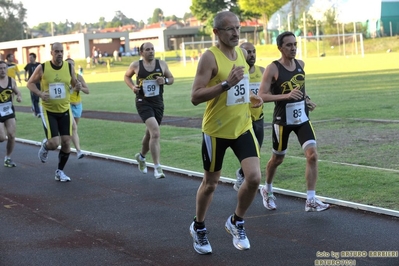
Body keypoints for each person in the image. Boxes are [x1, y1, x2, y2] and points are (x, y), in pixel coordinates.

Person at [189, 11, 263, 254]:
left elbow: (238, 90)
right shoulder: (209, 58)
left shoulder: (241, 53)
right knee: (210, 184)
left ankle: (236, 221)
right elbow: (195, 97)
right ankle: (198, 226)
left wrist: (252, 98)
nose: (235, 33)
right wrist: (225, 84)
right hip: (215, 130)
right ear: (216, 33)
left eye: (238, 28)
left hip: (242, 127)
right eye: (229, 29)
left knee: (253, 178)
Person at [258, 31, 330, 212]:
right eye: (289, 45)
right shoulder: (272, 68)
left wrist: (306, 99)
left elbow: (299, 89)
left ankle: (311, 199)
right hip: (282, 121)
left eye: (295, 44)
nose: (293, 48)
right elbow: (262, 96)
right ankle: (267, 189)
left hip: (302, 118)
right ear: (280, 48)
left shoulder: (301, 64)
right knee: (277, 159)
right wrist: (287, 96)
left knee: (312, 154)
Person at [27, 42, 80, 182]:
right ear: (51, 53)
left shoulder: (69, 67)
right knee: (54, 144)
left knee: (67, 142)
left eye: (61, 51)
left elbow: (74, 83)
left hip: (65, 109)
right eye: (56, 51)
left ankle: (60, 171)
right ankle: (45, 145)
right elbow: (29, 83)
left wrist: (77, 85)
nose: (59, 54)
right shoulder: (43, 67)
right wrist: (39, 93)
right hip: (49, 110)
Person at [123, 42, 174, 179]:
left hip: (158, 103)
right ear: (142, 53)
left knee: (150, 134)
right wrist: (133, 87)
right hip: (143, 102)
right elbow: (126, 76)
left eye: (152, 49)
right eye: (147, 49)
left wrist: (165, 81)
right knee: (155, 133)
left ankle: (141, 157)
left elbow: (171, 78)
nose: (151, 51)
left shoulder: (162, 64)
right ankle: (157, 167)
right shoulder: (136, 65)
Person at [233, 42, 266, 191]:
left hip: (258, 117)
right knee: (250, 152)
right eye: (248, 52)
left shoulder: (262, 71)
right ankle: (245, 177)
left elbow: (271, 91)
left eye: (253, 51)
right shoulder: (238, 72)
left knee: (257, 149)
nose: (252, 55)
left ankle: (241, 173)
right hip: (243, 119)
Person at [65, 58, 89, 159]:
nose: (71, 66)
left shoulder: (79, 77)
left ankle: (65, 147)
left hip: (78, 105)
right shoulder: (64, 78)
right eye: (69, 64)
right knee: (73, 127)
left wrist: (80, 88)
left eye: (73, 64)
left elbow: (87, 90)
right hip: (67, 104)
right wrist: (73, 89)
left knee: (72, 129)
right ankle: (78, 151)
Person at [0, 60, 22, 167]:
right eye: (0, 68)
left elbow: (17, 91)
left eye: (4, 68)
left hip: (9, 111)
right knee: (1, 138)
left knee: (12, 135)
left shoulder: (11, 81)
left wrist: (18, 96)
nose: (3, 70)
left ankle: (7, 158)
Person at [24, 53, 41, 117]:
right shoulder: (28, 65)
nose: (30, 59)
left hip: (39, 83)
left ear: (34, 58)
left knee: (39, 96)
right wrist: (25, 77)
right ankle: (37, 112)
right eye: (29, 58)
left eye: (31, 57)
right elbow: (25, 70)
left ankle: (35, 108)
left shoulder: (39, 64)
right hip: (32, 83)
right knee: (34, 98)